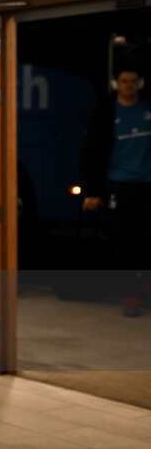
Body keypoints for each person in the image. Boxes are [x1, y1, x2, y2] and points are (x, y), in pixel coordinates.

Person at [81, 67, 151, 317]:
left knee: (146, 240)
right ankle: (131, 297)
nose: (129, 85)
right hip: (119, 185)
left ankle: (145, 286)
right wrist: (92, 192)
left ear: (140, 83)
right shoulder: (105, 115)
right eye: (124, 81)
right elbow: (93, 153)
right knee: (124, 243)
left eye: (133, 81)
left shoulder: (147, 111)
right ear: (116, 84)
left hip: (147, 185)